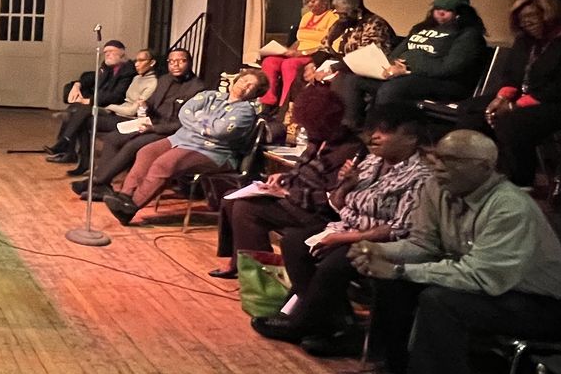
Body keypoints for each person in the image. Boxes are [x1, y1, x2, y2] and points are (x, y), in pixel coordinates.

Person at [337, 130, 561, 374]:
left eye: (452, 160)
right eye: (437, 157)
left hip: (548, 304)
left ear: (485, 167)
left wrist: (399, 268)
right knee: (395, 282)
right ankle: (393, 373)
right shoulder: (436, 188)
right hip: (493, 286)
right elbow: (423, 245)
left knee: (441, 301)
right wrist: (379, 252)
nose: (439, 166)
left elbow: (483, 277)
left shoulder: (509, 207)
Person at [251, 103, 433, 356]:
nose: (375, 137)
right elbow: (337, 203)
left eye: (385, 132)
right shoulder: (371, 162)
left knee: (336, 262)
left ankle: (303, 323)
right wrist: (346, 185)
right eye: (374, 130)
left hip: (381, 241)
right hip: (347, 226)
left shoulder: (421, 175)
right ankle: (333, 323)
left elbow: (399, 228)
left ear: (411, 137)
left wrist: (343, 237)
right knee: (294, 242)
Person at [456, 0, 561, 187]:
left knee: (513, 121)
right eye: (521, 18)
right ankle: (475, 173)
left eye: (531, 16)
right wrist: (502, 98)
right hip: (531, 98)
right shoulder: (525, 41)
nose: (525, 22)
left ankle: (519, 183)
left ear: (549, 13)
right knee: (471, 109)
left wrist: (514, 106)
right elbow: (512, 75)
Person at [208, 83, 362, 278]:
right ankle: (239, 262)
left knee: (246, 209)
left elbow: (330, 198)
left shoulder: (347, 149)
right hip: (292, 200)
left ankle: (263, 275)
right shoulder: (318, 139)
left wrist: (288, 192)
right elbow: (303, 171)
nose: (305, 129)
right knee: (230, 198)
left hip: (314, 213)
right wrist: (284, 178)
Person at [102, 69, 268, 225]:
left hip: (212, 151)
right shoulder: (210, 95)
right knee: (146, 152)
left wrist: (198, 118)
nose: (244, 85)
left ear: (255, 93)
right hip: (181, 139)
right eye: (244, 80)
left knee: (164, 164)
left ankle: (130, 207)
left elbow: (220, 131)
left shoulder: (245, 111)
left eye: (250, 85)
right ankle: (124, 196)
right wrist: (206, 125)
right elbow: (185, 112)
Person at [337, 0, 486, 118]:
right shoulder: (421, 28)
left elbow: (448, 68)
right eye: (437, 8)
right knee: (353, 80)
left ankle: (386, 133)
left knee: (392, 89)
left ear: (461, 13)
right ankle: (349, 129)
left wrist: (408, 69)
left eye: (447, 10)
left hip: (444, 83)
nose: (440, 13)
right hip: (407, 76)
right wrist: (394, 66)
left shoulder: (468, 35)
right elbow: (396, 54)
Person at [74, 48, 207, 191]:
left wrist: (154, 128)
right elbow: (151, 103)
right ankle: (102, 184)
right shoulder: (164, 80)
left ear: (190, 63)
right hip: (150, 123)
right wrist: (144, 104)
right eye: (171, 61)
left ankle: (96, 182)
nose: (175, 64)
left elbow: (185, 124)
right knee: (113, 138)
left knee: (132, 145)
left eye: (181, 61)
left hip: (169, 132)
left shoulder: (198, 88)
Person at [306, 0, 397, 126]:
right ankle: (310, 126)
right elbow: (324, 47)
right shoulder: (339, 25)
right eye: (337, 13)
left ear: (357, 11)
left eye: (343, 14)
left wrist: (333, 69)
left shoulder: (374, 24)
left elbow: (365, 56)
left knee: (343, 78)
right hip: (338, 65)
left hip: (364, 71)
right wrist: (312, 64)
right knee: (302, 72)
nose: (339, 17)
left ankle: (345, 126)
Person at [44, 41, 138, 165]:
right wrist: (78, 84)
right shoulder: (107, 66)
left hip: (114, 107)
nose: (107, 55)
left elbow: (116, 96)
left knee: (78, 112)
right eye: (105, 52)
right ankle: (67, 148)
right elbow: (91, 77)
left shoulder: (128, 70)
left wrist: (90, 100)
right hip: (101, 102)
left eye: (111, 51)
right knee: (74, 110)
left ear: (121, 52)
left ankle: (66, 147)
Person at [260, 0, 338, 111]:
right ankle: (268, 102)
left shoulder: (333, 17)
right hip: (298, 53)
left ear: (325, 0)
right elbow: (300, 39)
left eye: (313, 1)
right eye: (308, 2)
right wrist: (286, 50)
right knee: (270, 61)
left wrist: (301, 53)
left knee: (289, 64)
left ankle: (285, 106)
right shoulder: (306, 17)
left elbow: (327, 45)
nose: (310, 5)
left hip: (314, 55)